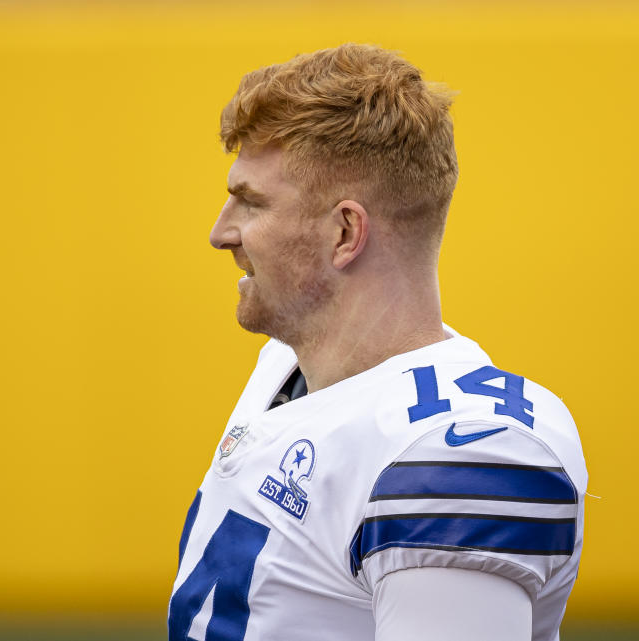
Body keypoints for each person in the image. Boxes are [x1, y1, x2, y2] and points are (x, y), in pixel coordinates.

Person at [168, 44, 586, 641]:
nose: (220, 232)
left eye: (251, 202)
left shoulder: (461, 454)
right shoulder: (289, 366)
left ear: (345, 232)